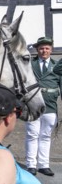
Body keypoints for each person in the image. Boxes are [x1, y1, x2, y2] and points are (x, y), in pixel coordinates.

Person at [25, 36, 61, 176]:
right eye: (41, 48)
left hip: (50, 106)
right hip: (32, 106)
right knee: (32, 135)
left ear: (51, 50)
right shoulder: (29, 65)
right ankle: (31, 165)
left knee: (45, 136)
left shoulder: (57, 66)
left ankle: (43, 165)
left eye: (47, 48)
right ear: (37, 50)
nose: (44, 51)